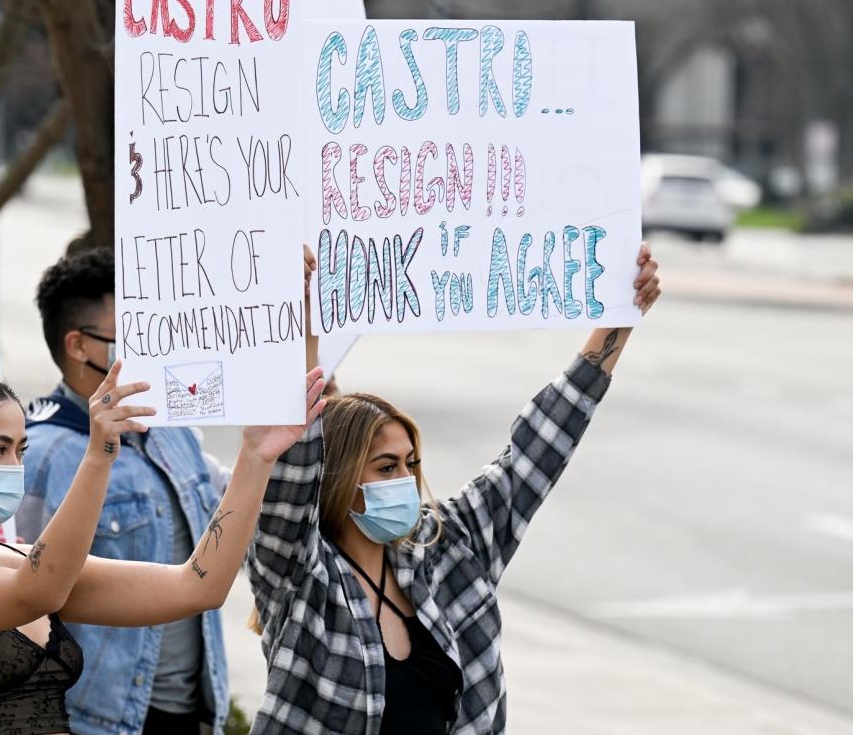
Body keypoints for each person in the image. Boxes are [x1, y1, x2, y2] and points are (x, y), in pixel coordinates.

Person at [247, 244, 662, 734]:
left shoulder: (447, 548)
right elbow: (291, 467)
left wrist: (619, 317)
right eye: (384, 467)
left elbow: (536, 450)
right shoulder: (299, 576)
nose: (404, 479)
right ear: (338, 477)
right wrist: (302, 327)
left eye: (410, 463)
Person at [0, 355, 325, 734]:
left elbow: (199, 586)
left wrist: (255, 456)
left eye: (21, 450)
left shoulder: (22, 558)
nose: (13, 467)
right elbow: (35, 593)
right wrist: (99, 454)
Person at [16, 248, 232, 735]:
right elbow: (22, 602)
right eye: (131, 329)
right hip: (96, 721)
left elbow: (238, 511)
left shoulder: (170, 429)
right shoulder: (40, 454)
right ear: (79, 345)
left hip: (194, 714)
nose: (151, 341)